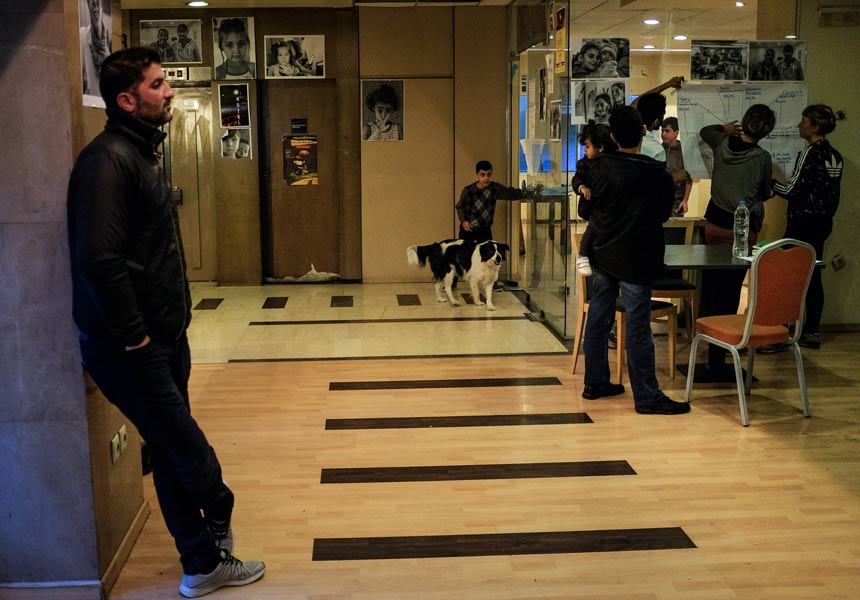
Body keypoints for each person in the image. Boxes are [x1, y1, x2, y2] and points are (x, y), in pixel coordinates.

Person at [66, 47, 265, 597]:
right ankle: (216, 520)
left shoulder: (139, 152)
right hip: (132, 347)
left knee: (173, 445)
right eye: (158, 85)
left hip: (160, 338)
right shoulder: (108, 161)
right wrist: (138, 336)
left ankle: (201, 563)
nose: (170, 91)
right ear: (127, 99)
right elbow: (98, 261)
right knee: (187, 449)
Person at [579, 106, 689, 415]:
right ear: (643, 132)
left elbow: (585, 212)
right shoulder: (658, 174)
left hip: (602, 254)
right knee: (638, 326)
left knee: (599, 319)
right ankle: (646, 395)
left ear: (612, 136)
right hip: (638, 259)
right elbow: (662, 216)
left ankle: (595, 382)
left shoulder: (597, 169)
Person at [695, 104, 776, 379]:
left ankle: (708, 342)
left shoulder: (722, 143)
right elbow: (765, 191)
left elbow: (706, 130)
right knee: (730, 291)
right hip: (744, 230)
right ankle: (725, 346)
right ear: (767, 131)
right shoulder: (763, 158)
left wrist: (726, 129)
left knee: (711, 286)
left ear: (743, 122)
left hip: (715, 224)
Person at [765, 105, 843, 350]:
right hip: (822, 224)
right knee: (813, 275)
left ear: (815, 127)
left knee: (787, 275)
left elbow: (792, 191)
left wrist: (769, 183)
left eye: (804, 121)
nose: (800, 125)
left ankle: (779, 335)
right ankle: (811, 332)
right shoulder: (835, 156)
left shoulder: (809, 153)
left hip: (801, 225)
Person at [456, 160, 542, 244]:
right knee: (466, 254)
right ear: (477, 175)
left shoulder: (494, 188)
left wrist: (528, 193)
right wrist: (463, 221)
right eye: (482, 175)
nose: (486, 178)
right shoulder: (468, 190)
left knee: (486, 255)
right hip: (468, 229)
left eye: (488, 174)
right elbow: (460, 206)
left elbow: (510, 193)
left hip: (485, 229)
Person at [571, 122, 617, 276]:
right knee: (592, 228)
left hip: (599, 208)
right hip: (592, 206)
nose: (585, 150)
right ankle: (583, 255)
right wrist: (582, 187)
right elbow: (577, 179)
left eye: (588, 146)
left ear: (601, 147)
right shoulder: (585, 163)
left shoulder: (610, 162)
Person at [631, 76, 685, 162]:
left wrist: (668, 85)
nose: (663, 134)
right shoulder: (656, 150)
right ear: (656, 122)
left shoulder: (626, 139)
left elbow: (635, 104)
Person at [660, 117, 692, 216]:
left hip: (677, 199)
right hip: (660, 197)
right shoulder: (659, 149)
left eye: (667, 131)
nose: (663, 134)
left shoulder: (684, 152)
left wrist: (685, 201)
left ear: (676, 132)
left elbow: (689, 178)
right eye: (662, 131)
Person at [80, 0, 111, 97]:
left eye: (98, 2)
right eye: (91, 2)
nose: (95, 5)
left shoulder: (110, 34)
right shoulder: (82, 35)